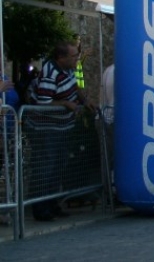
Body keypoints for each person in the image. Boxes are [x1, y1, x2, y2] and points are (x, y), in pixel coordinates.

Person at [29, 40, 97, 221]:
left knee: (58, 167)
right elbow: (43, 103)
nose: (77, 58)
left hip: (63, 127)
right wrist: (65, 103)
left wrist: (84, 100)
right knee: (46, 167)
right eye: (74, 56)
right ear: (61, 58)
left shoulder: (68, 70)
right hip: (48, 130)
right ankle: (40, 207)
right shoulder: (49, 74)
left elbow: (75, 86)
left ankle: (53, 203)